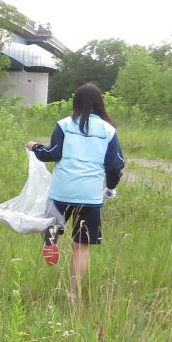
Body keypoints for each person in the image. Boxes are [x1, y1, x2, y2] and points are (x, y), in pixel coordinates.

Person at [27, 82, 125, 302]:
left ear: (76, 102)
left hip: (62, 191)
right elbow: (115, 165)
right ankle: (73, 293)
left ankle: (51, 243)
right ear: (100, 103)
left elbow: (52, 154)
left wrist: (34, 146)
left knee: (52, 229)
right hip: (90, 196)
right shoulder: (109, 131)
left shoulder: (64, 125)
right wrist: (110, 188)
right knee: (81, 248)